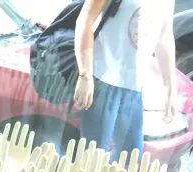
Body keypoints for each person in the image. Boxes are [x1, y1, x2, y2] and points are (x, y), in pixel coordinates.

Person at [74, 0, 180, 157]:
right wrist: (85, 74)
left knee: (129, 158)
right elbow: (85, 20)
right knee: (93, 157)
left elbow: (164, 37)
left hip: (134, 87)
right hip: (103, 80)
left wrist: (170, 90)